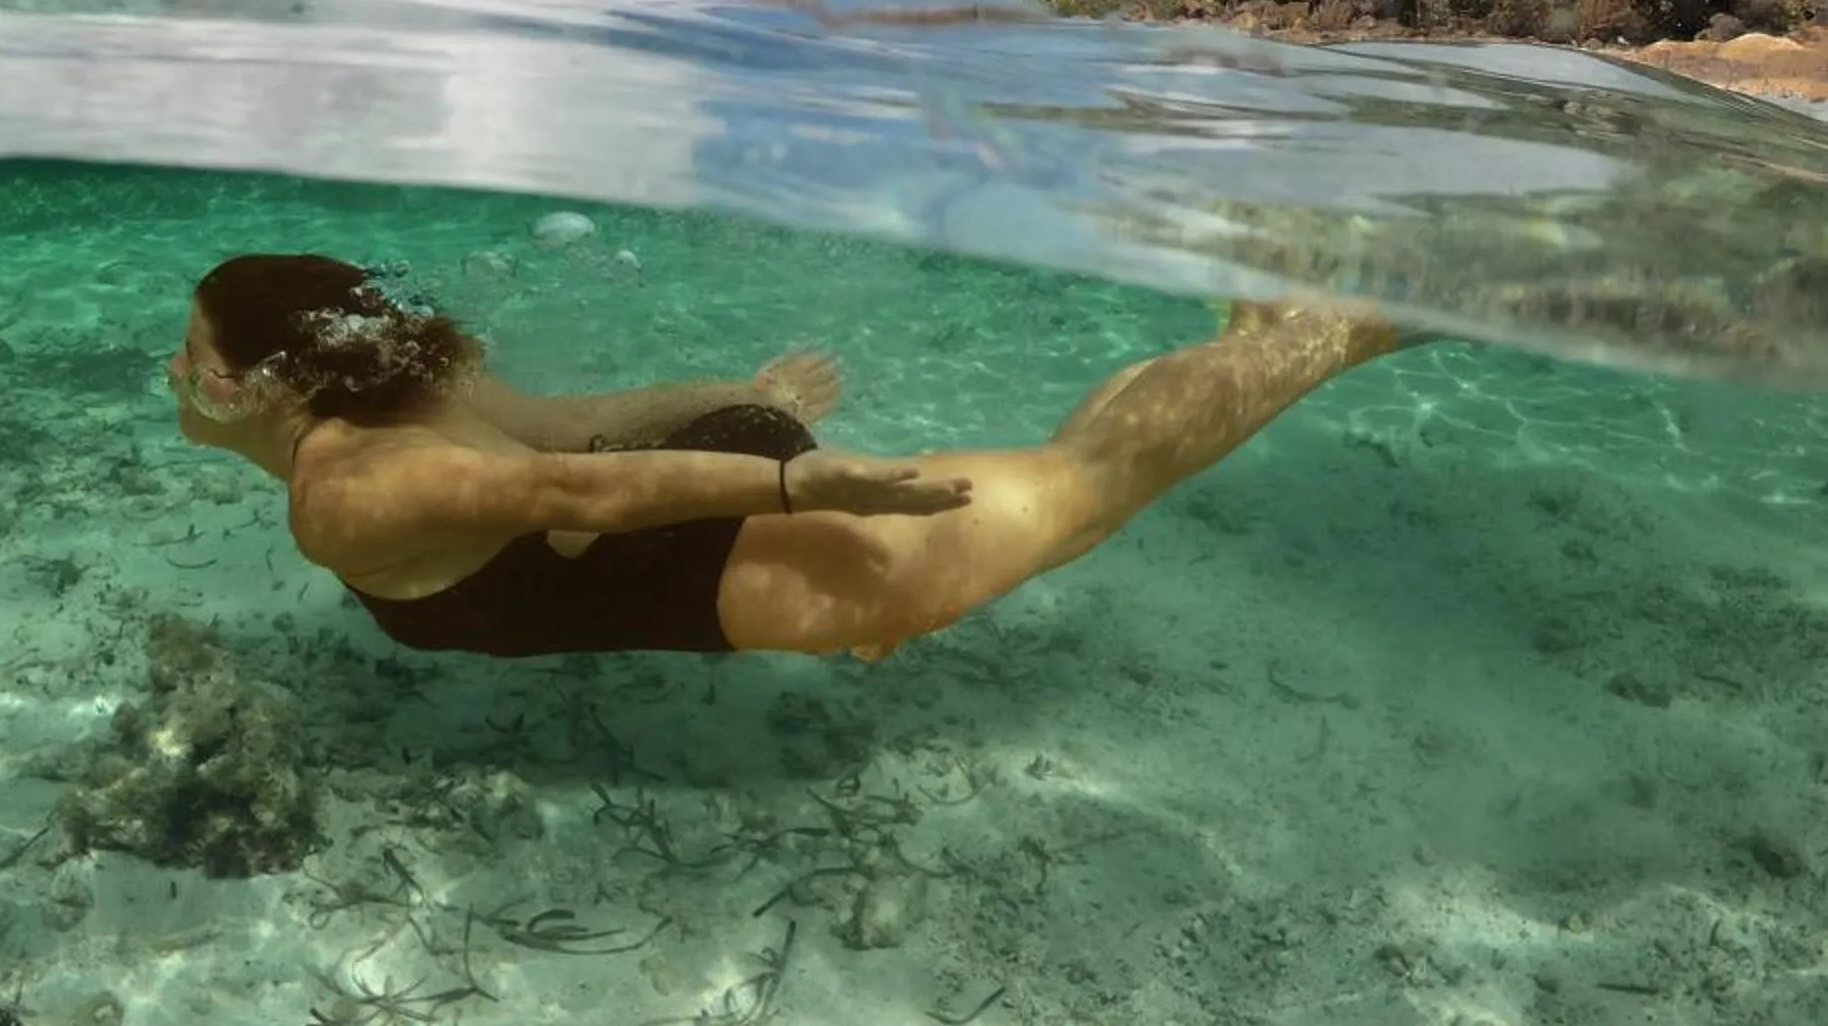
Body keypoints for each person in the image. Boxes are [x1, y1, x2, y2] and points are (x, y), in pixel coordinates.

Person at [165, 252, 1412, 662]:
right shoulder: (409, 386)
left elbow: (574, 483)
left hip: (738, 535)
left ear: (234, 382)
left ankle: (1338, 328)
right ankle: (1268, 330)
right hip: (712, 473)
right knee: (1066, 469)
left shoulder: (345, 496)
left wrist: (793, 475)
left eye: (184, 357)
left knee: (1085, 484)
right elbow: (578, 421)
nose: (171, 378)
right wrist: (749, 403)